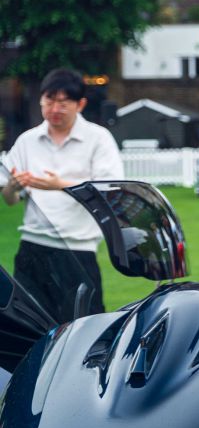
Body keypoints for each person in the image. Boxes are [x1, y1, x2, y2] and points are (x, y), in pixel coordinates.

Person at [1, 68, 124, 322]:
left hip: (77, 251)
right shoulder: (27, 140)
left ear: (80, 104)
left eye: (63, 102)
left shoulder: (98, 139)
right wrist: (12, 186)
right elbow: (10, 200)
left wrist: (60, 185)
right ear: (41, 100)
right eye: (49, 101)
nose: (54, 109)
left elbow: (109, 192)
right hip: (32, 249)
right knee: (28, 329)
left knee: (83, 328)